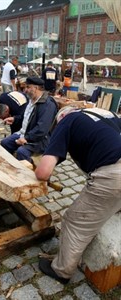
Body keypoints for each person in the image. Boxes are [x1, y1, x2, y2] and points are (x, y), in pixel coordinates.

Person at [35, 106, 121, 284]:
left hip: (115, 175)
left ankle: (61, 271)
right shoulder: (106, 114)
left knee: (74, 221)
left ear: (61, 117)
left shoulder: (67, 120)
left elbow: (43, 172)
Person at [0, 77, 58, 163]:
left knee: (22, 151)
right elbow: (24, 117)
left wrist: (26, 138)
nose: (25, 90)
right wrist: (14, 119)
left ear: (36, 88)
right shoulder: (31, 100)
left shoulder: (48, 105)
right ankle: (11, 166)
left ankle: (27, 173)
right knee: (5, 143)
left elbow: (42, 129)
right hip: (25, 133)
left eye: (28, 87)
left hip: (41, 140)